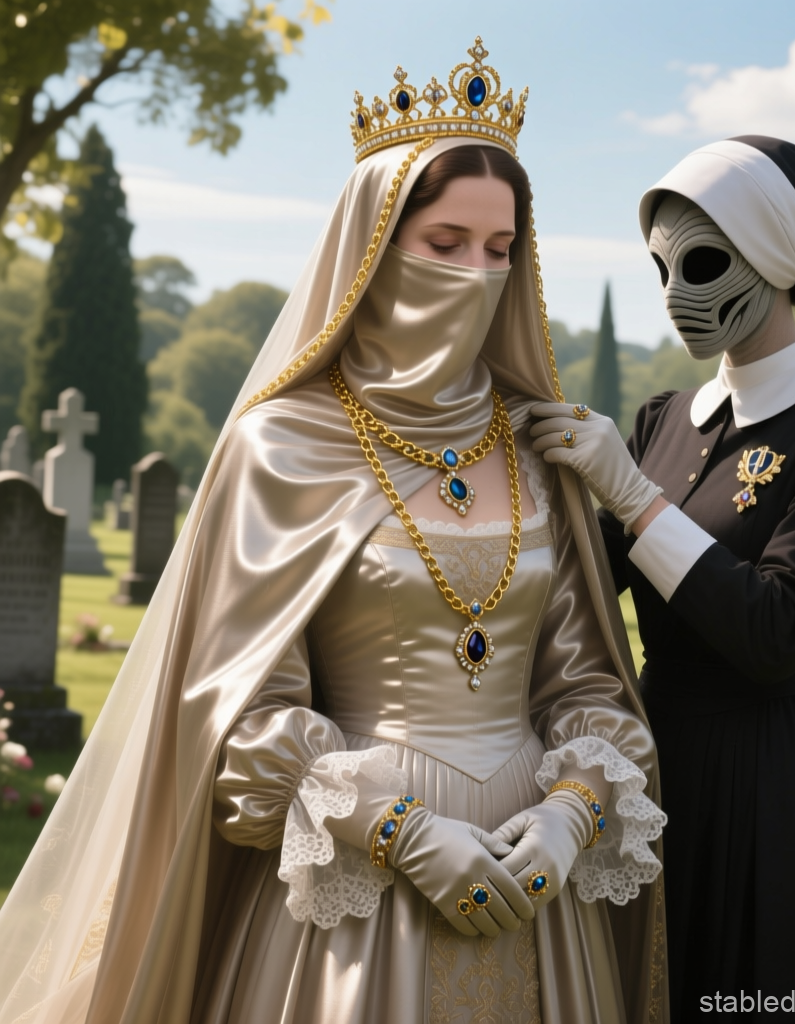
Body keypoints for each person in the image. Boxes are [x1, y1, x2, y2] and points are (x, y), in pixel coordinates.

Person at [0, 40, 667, 1024]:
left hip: (538, 877)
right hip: (359, 879)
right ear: (370, 251)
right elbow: (237, 712)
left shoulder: (534, 444)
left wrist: (571, 816)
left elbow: (584, 680)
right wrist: (402, 833)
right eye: (443, 244)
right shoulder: (281, 444)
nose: (474, 274)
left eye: (499, 249)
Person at [532, 136, 795, 1020]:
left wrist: (634, 497)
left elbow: (778, 633)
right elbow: (576, 596)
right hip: (645, 772)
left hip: (774, 793)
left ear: (775, 260)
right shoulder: (663, 418)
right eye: (660, 266)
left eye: (704, 262)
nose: (677, 292)